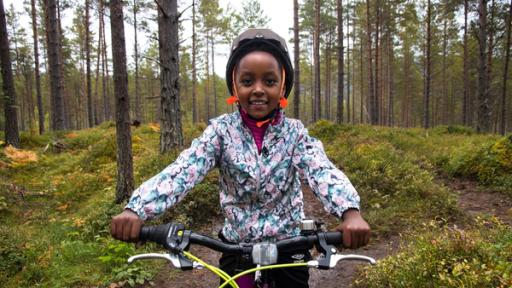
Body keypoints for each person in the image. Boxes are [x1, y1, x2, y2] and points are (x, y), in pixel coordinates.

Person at [111, 28, 370, 288]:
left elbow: (321, 170)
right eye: (247, 81)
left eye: (269, 82)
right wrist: (137, 208)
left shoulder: (295, 134)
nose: (258, 90)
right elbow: (183, 170)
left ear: (283, 86)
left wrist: (350, 212)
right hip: (236, 246)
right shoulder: (220, 133)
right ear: (235, 86)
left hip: (290, 247)